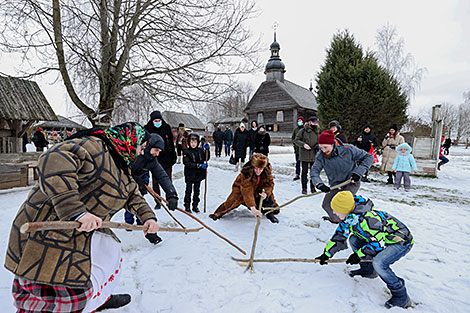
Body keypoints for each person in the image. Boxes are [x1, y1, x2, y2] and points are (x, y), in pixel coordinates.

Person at [5, 122, 159, 312]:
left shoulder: (121, 165)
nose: (140, 152)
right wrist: (75, 211)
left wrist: (148, 218)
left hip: (80, 235)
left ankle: (98, 299)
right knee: (49, 287)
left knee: (89, 274)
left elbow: (132, 194)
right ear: (130, 139)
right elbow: (55, 158)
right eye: (141, 147)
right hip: (50, 230)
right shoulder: (94, 146)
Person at [315, 191, 413, 309]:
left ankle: (401, 296)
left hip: (401, 241)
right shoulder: (350, 218)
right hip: (382, 239)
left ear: (345, 210)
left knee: (380, 263)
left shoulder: (369, 220)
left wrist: (359, 255)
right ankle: (368, 270)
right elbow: (339, 236)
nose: (334, 213)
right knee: (354, 239)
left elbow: (378, 244)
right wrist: (326, 254)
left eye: (336, 210)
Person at [311, 129, 374, 224]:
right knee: (326, 205)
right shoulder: (321, 155)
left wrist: (358, 173)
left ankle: (353, 223)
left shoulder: (348, 149)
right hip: (335, 184)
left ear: (332, 144)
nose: (323, 150)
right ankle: (337, 220)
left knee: (344, 204)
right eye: (321, 148)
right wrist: (319, 184)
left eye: (325, 147)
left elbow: (369, 157)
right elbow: (314, 171)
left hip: (351, 182)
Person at [127, 133, 179, 244]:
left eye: (159, 151)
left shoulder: (152, 160)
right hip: (124, 186)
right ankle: (128, 226)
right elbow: (121, 170)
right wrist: (133, 177)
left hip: (138, 185)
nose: (157, 154)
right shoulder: (134, 153)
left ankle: (146, 228)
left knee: (140, 205)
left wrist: (172, 194)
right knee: (129, 206)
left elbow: (162, 176)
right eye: (156, 150)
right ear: (148, 146)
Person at [209, 153, 280, 223]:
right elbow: (247, 190)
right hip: (240, 190)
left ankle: (269, 212)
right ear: (253, 166)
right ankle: (217, 214)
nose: (258, 171)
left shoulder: (267, 172)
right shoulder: (246, 173)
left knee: (269, 199)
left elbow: (270, 184)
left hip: (257, 192)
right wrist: (252, 207)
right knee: (231, 203)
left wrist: (266, 193)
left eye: (260, 169)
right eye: (256, 169)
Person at [145, 110, 177, 208]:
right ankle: (157, 201)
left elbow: (171, 143)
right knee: (155, 182)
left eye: (159, 120)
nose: (158, 122)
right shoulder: (147, 129)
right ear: (152, 121)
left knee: (167, 179)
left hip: (167, 158)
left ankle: (170, 199)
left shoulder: (166, 128)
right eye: (155, 121)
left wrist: (173, 156)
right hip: (154, 159)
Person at [183, 133, 210, 213]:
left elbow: (206, 157)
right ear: (189, 143)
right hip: (190, 175)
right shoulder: (186, 152)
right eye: (191, 142)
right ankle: (187, 206)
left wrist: (207, 150)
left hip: (198, 175)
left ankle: (195, 206)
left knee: (196, 191)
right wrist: (198, 165)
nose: (193, 144)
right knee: (188, 191)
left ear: (198, 143)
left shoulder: (200, 151)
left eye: (195, 142)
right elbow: (187, 163)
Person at [294, 116, 320, 194]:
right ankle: (304, 188)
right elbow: (296, 140)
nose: (315, 124)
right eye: (314, 122)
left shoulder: (317, 131)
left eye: (316, 122)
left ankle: (313, 187)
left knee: (313, 172)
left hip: (313, 154)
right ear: (309, 122)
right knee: (304, 172)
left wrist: (318, 145)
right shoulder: (302, 131)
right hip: (304, 154)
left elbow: (320, 140)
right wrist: (303, 144)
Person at [291, 116, 304, 181]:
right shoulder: (295, 130)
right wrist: (295, 144)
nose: (299, 122)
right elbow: (293, 138)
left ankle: (305, 175)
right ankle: (297, 174)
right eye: (298, 121)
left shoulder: (305, 129)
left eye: (300, 121)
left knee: (304, 163)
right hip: (297, 150)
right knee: (297, 162)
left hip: (304, 149)